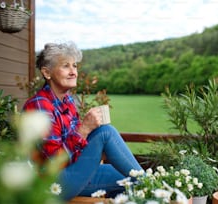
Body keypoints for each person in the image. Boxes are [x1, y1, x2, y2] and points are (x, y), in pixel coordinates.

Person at [23, 42, 143, 201]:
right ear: (47, 72)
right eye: (66, 66)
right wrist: (85, 129)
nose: (74, 72)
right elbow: (54, 163)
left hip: (74, 169)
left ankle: (151, 184)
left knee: (128, 178)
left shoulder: (68, 101)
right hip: (52, 183)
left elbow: (76, 146)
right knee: (106, 133)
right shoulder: (40, 106)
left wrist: (92, 135)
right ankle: (158, 186)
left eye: (75, 66)